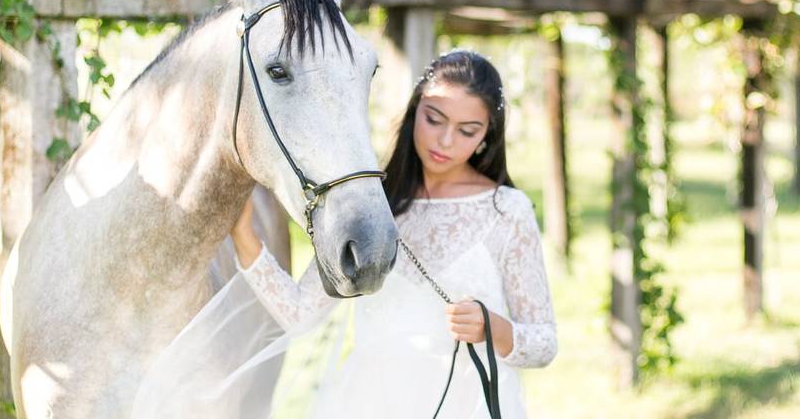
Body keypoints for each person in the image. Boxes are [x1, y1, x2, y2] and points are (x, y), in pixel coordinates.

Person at [231, 50, 557, 417]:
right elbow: (300, 311)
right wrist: (244, 235)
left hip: (464, 403)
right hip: (370, 402)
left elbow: (543, 343)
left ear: (486, 137)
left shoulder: (507, 210)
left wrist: (492, 327)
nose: (446, 141)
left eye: (467, 131)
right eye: (434, 119)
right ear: (415, 110)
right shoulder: (372, 208)